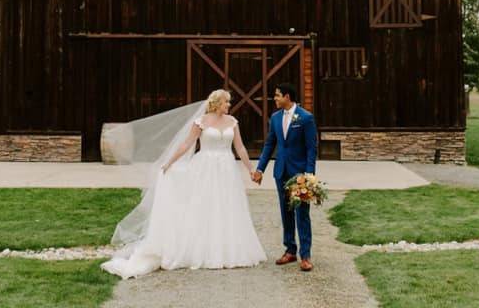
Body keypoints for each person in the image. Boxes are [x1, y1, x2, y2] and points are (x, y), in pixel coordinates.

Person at [101, 89, 266, 279]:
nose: (229, 105)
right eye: (226, 102)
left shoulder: (232, 122)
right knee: (203, 206)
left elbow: (240, 147)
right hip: (205, 168)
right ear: (217, 103)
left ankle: (228, 249)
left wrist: (250, 169)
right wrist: (170, 162)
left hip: (227, 169)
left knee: (227, 206)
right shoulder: (201, 122)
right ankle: (201, 249)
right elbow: (187, 144)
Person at [252, 83, 318, 272]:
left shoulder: (305, 118)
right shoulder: (274, 118)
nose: (275, 99)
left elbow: (311, 148)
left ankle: (305, 256)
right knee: (286, 212)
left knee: (302, 214)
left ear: (287, 97)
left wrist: (309, 174)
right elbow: (269, 144)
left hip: (299, 173)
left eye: (277, 95)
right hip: (281, 172)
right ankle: (290, 250)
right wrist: (260, 169)